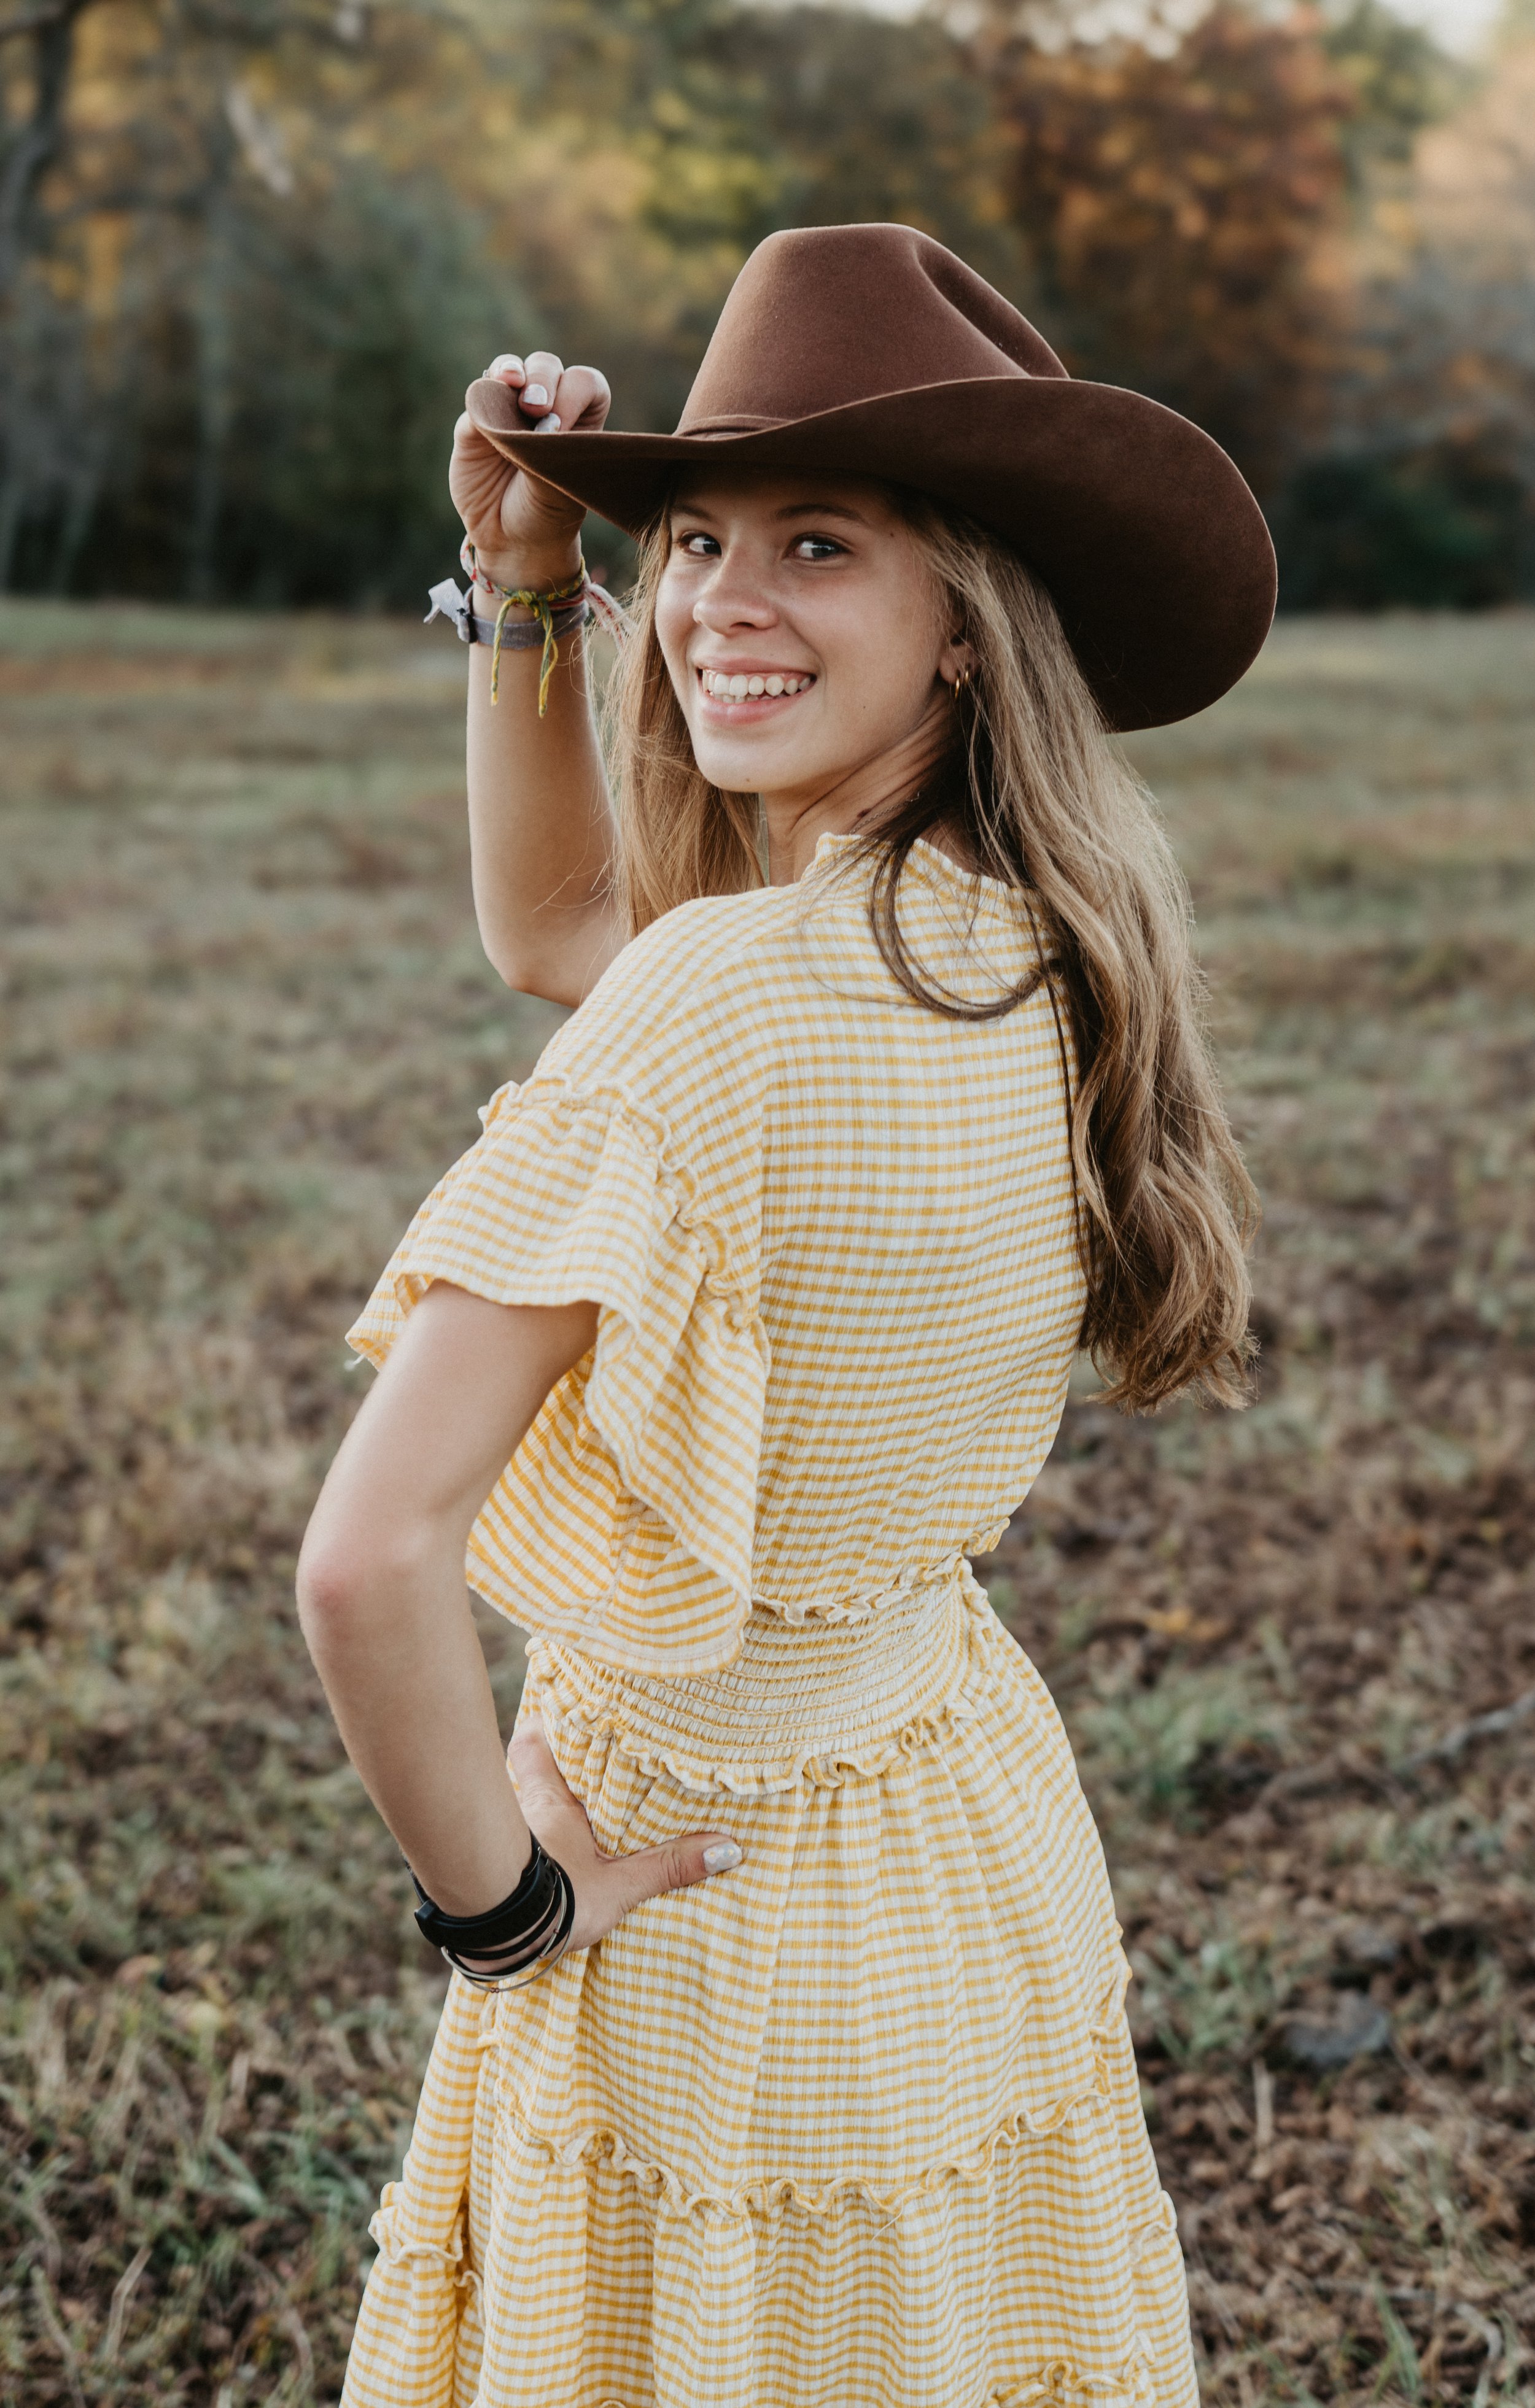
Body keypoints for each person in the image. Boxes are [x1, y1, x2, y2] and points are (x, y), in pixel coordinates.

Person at [298, 223, 1275, 2408]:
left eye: (815, 543)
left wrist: (507, 1911)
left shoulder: (727, 997)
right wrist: (536, 584)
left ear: (958, 628)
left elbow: (367, 1563)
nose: (724, 600)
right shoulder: (1032, 936)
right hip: (960, 1837)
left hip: (697, 1904)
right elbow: (563, 916)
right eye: (705, 536)